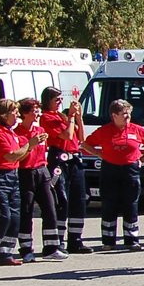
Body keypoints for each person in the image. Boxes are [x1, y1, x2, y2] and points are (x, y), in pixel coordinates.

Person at [82, 99, 144, 251]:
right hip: (110, 169)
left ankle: (132, 239)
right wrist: (99, 153)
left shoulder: (136, 129)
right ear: (114, 116)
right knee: (109, 204)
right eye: (124, 114)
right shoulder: (104, 130)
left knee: (131, 204)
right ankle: (108, 240)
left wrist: (143, 158)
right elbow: (86, 144)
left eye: (129, 114)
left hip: (130, 169)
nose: (128, 117)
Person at [0, 98, 32, 267]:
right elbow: (10, 155)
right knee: (3, 217)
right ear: (2, 114)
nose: (17, 114)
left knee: (15, 218)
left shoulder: (11, 132)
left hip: (12, 176)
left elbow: (18, 156)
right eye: (13, 112)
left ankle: (5, 253)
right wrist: (29, 145)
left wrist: (29, 147)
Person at [15, 97, 65, 262]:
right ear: (24, 113)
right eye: (34, 110)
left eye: (38, 109)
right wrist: (31, 144)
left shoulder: (40, 130)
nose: (37, 113)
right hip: (25, 173)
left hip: (42, 171)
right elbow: (18, 156)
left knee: (50, 208)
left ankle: (51, 248)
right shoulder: (17, 133)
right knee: (26, 211)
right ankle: (26, 249)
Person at [44, 91, 91, 254]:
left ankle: (76, 240)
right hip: (59, 160)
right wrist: (70, 117)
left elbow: (80, 138)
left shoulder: (63, 117)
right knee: (61, 200)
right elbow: (66, 135)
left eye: (61, 100)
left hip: (75, 159)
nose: (59, 102)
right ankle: (59, 240)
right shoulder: (47, 117)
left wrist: (78, 117)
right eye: (56, 99)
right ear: (48, 100)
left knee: (79, 199)